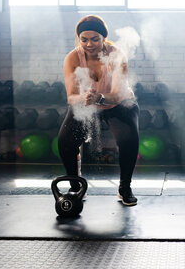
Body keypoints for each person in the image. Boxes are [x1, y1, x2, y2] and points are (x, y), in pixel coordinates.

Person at [58, 15, 140, 206]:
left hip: (118, 103)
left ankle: (124, 188)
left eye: (95, 39)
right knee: (65, 142)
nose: (89, 44)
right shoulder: (72, 58)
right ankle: (76, 186)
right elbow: (71, 97)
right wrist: (86, 98)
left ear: (103, 37)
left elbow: (117, 95)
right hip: (88, 103)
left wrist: (100, 98)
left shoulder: (116, 55)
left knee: (128, 140)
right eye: (84, 39)